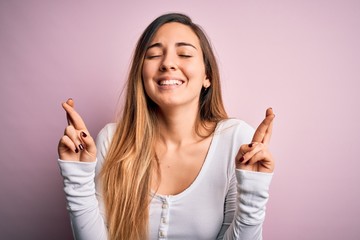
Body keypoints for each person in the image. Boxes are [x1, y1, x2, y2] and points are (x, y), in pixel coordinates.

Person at [58, 13, 275, 240]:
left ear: (207, 76)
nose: (168, 64)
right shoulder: (112, 140)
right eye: (153, 55)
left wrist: (253, 192)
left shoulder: (236, 140)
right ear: (141, 74)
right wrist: (77, 178)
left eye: (184, 54)